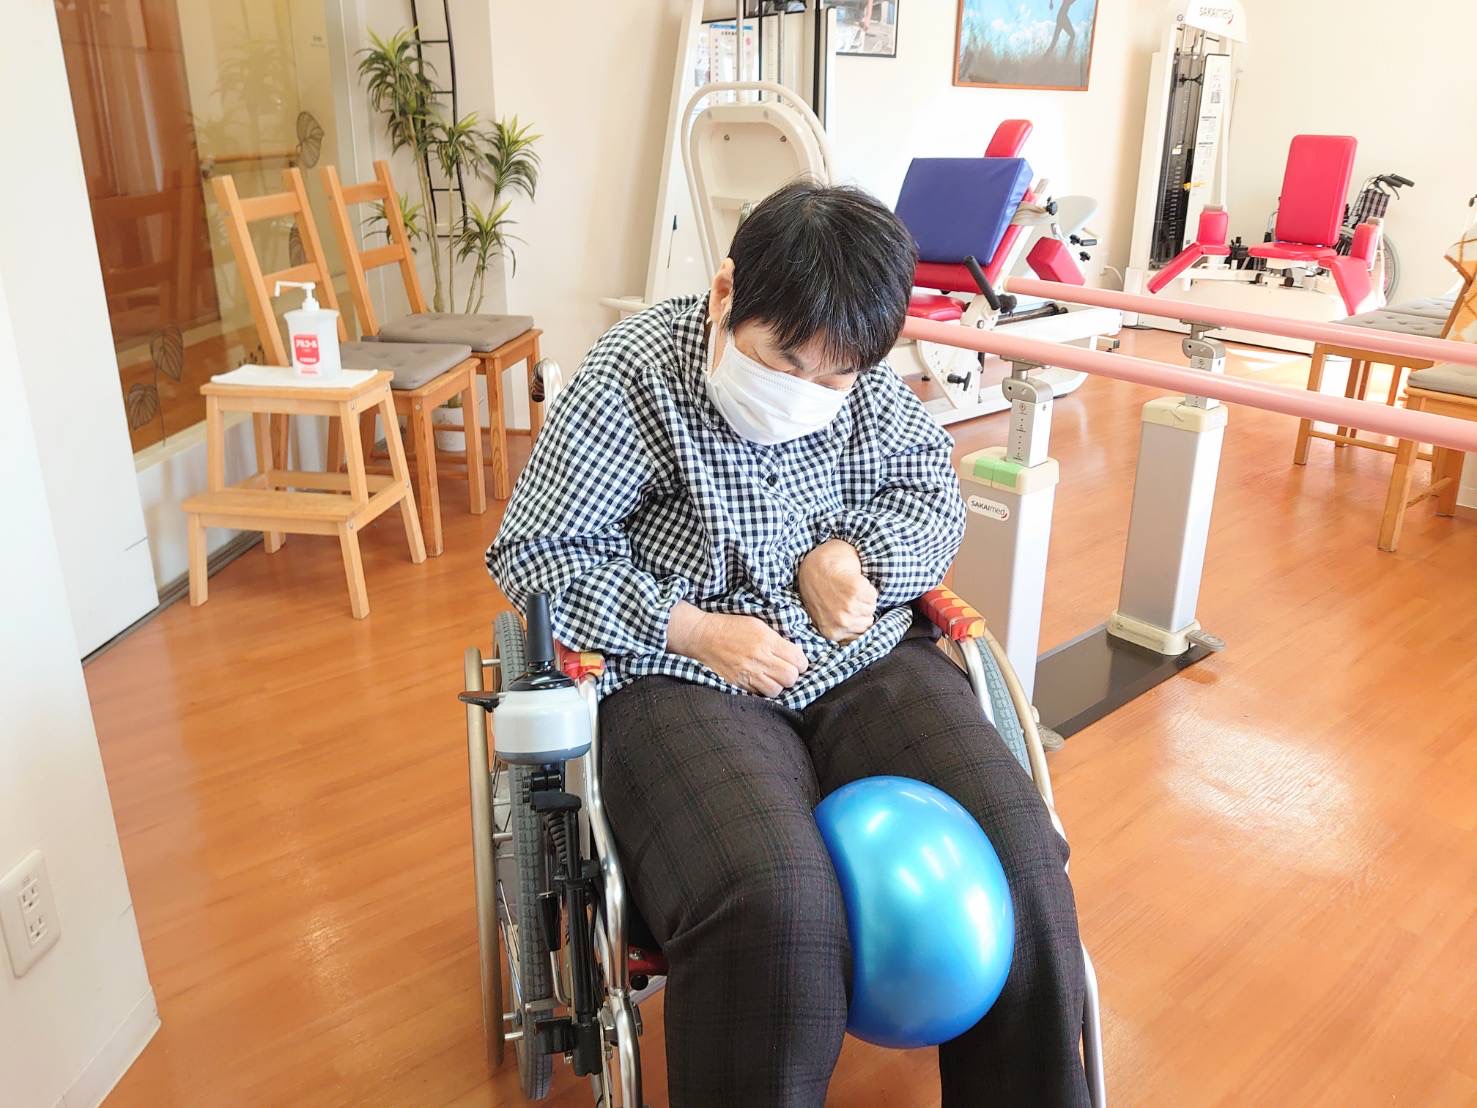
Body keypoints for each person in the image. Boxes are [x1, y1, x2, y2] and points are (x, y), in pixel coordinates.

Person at [487, 181, 1089, 1107]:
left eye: (836, 375)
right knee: (771, 900)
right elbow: (537, 553)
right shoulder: (632, 376)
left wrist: (857, 556)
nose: (809, 390)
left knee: (1022, 855)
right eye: (784, 360)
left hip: (862, 663)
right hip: (679, 677)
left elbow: (931, 499)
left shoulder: (866, 383)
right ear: (726, 292)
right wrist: (690, 628)